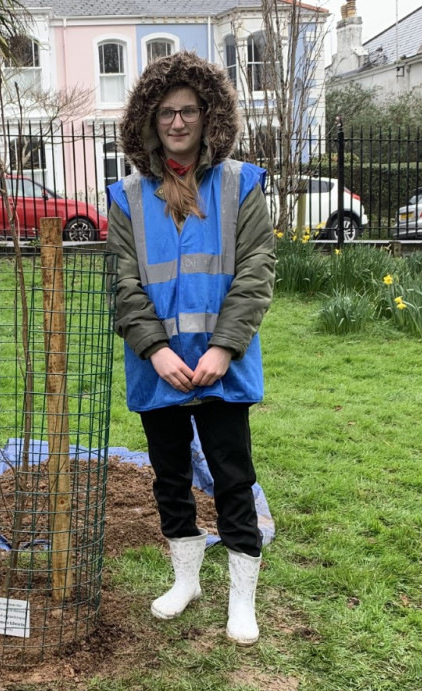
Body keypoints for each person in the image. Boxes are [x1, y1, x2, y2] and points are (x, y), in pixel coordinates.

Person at [107, 51, 275, 645]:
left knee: (233, 478)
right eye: (165, 113)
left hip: (220, 368)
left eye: (188, 111)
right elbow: (124, 281)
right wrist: (154, 350)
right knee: (169, 477)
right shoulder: (127, 196)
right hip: (161, 370)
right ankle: (186, 581)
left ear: (209, 117)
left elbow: (256, 272)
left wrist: (225, 349)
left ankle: (242, 599)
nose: (177, 123)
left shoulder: (240, 185)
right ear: (149, 121)